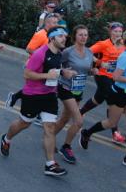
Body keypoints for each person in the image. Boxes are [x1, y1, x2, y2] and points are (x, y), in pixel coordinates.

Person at [0, 27, 70, 177]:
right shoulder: (40, 54)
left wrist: (64, 73)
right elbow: (27, 74)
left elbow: (54, 72)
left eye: (65, 36)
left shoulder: (59, 54)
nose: (64, 38)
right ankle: (6, 138)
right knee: (24, 123)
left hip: (50, 95)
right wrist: (46, 75)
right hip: (33, 95)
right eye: (61, 36)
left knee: (50, 128)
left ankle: (50, 164)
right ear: (52, 38)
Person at [79, 30, 126, 171]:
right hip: (119, 94)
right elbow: (116, 77)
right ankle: (87, 133)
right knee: (111, 123)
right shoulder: (124, 57)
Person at [80, 22, 126, 145]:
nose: (118, 34)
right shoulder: (103, 44)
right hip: (102, 76)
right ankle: (115, 133)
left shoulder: (123, 45)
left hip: (115, 77)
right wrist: (100, 63)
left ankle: (80, 112)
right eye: (115, 31)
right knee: (113, 101)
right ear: (110, 32)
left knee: (98, 99)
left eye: (120, 32)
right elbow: (86, 52)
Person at [53, 25, 94, 164]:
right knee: (79, 120)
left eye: (85, 35)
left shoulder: (89, 52)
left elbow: (86, 69)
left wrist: (92, 72)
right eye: (80, 35)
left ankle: (49, 137)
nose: (83, 37)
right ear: (75, 36)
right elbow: (57, 66)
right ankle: (66, 147)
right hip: (65, 88)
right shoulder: (67, 52)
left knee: (64, 118)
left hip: (78, 89)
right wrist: (65, 71)